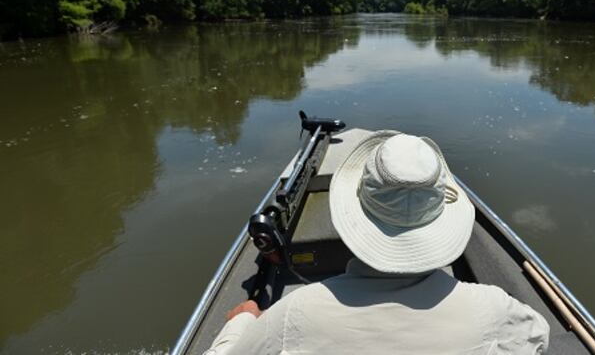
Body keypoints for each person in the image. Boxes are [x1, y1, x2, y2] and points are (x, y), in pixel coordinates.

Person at [206, 131, 550, 354]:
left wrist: (243, 319)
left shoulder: (293, 314)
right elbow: (538, 338)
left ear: (354, 212)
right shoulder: (493, 308)